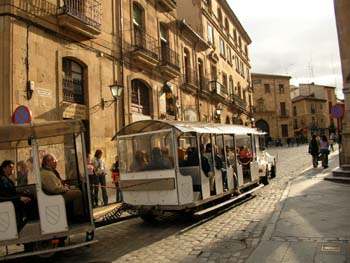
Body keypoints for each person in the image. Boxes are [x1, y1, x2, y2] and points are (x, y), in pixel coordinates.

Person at [40, 154, 84, 220]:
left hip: (58, 192)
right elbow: (54, 189)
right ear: (48, 162)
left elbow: (57, 183)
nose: (56, 163)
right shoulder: (46, 174)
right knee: (78, 193)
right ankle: (78, 216)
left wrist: (65, 186)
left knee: (76, 188)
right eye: (54, 161)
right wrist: (66, 189)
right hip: (54, 196)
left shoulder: (50, 171)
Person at [0, 160, 34, 228]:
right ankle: (27, 222)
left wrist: (22, 193)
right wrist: (19, 198)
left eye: (13, 167)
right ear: (4, 168)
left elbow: (12, 192)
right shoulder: (1, 180)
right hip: (8, 202)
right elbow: (3, 196)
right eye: (10, 166)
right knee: (30, 200)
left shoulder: (6, 179)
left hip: (13, 199)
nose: (12, 168)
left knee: (30, 196)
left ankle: (28, 220)